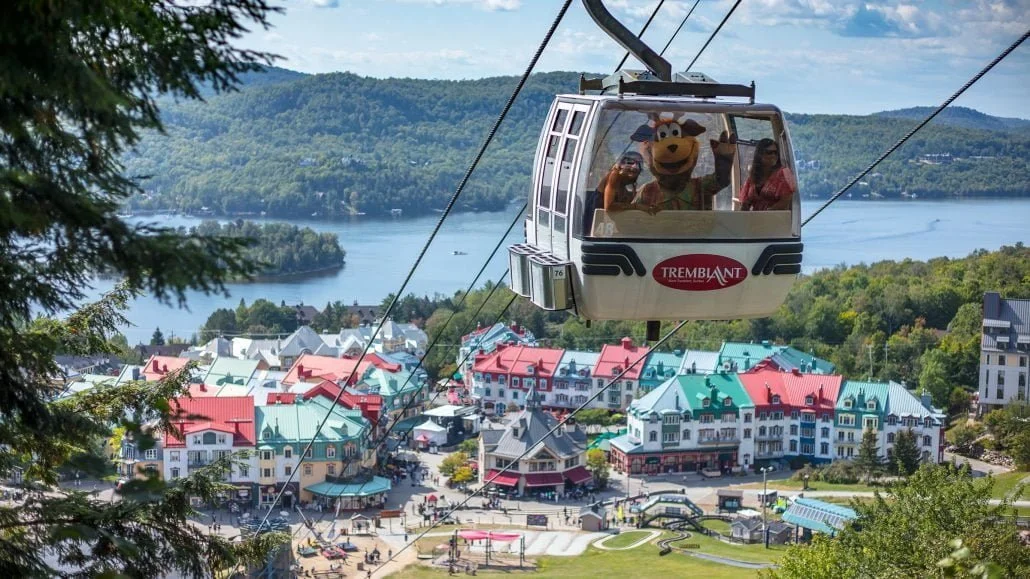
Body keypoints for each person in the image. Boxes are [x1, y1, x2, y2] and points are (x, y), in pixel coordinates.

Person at [739, 138, 796, 211]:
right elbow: (745, 204)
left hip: (774, 219)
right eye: (769, 152)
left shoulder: (784, 173)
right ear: (760, 154)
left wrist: (765, 215)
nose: (773, 155)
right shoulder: (753, 176)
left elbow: (784, 202)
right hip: (754, 220)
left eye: (775, 152)